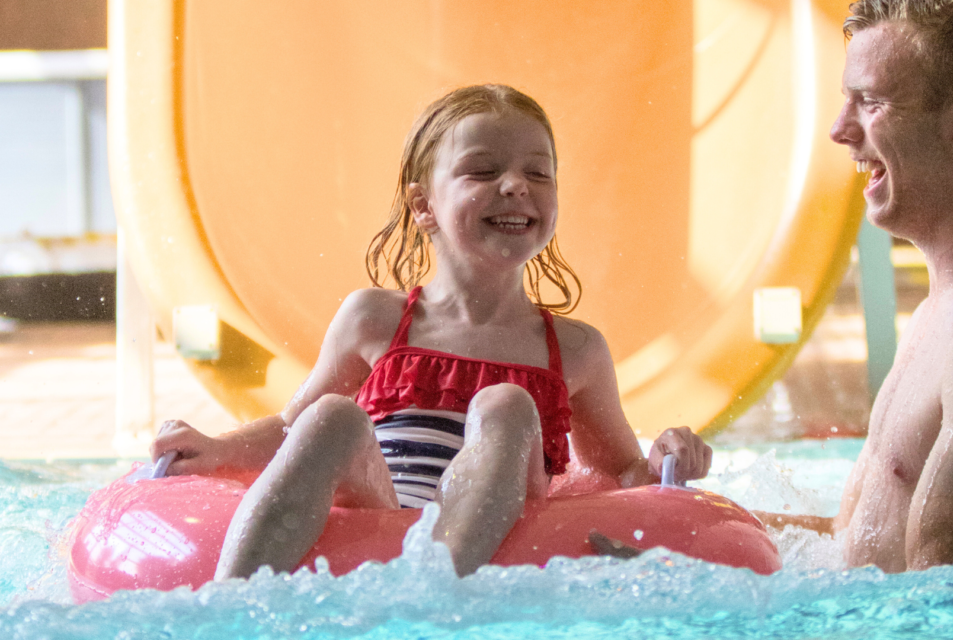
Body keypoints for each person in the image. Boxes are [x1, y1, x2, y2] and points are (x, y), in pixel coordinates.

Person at [151, 84, 713, 579]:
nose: (516, 185)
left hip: (498, 525)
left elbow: (615, 472)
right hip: (385, 503)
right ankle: (227, 606)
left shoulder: (575, 349)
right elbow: (292, 432)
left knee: (508, 406)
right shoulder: (373, 319)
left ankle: (438, 592)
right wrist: (214, 448)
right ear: (424, 205)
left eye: (538, 172)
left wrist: (667, 457)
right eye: (483, 170)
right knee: (332, 416)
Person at [756, 0, 953, 573]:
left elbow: (934, 591)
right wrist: (679, 529)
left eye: (871, 103)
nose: (839, 129)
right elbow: (851, 543)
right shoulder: (933, 318)